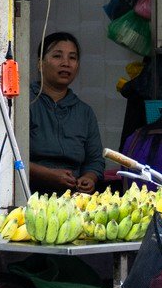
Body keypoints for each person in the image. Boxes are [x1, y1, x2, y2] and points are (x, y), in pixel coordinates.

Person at [29, 33, 105, 193]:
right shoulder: (24, 104)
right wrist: (48, 175)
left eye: (72, 58)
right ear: (40, 64)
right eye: (57, 56)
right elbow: (11, 157)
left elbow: (95, 161)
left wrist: (89, 178)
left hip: (73, 198)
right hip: (28, 194)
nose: (66, 63)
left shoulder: (85, 112)